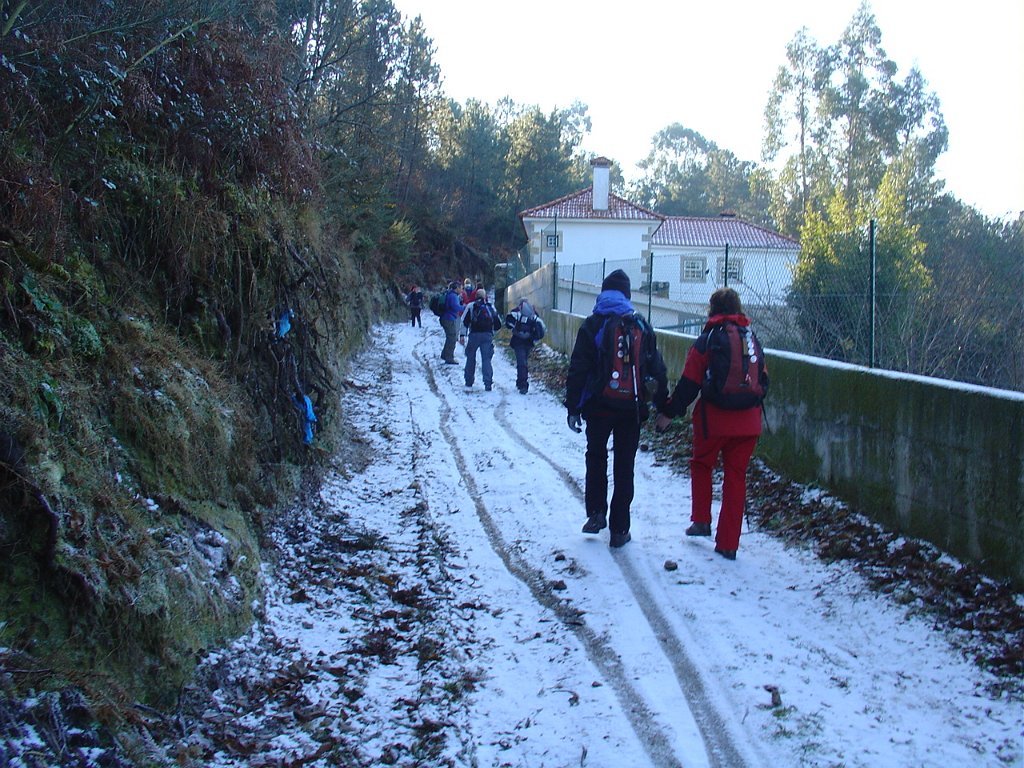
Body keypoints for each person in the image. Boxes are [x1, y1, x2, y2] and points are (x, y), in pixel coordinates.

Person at [655, 287, 768, 561]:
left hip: (713, 421)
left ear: (712, 309)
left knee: (702, 464)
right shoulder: (751, 338)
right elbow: (764, 381)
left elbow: (689, 384)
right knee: (736, 477)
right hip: (748, 423)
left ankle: (701, 520)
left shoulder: (707, 340)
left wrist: (669, 413)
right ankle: (728, 544)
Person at [565, 269, 668, 548]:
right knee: (625, 465)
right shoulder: (641, 325)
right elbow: (657, 369)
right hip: (630, 409)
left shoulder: (593, 324)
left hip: (598, 406)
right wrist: (663, 407)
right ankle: (620, 529)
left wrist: (573, 406)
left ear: (603, 292)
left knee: (596, 456)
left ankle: (596, 513)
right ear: (627, 295)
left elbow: (578, 368)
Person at [462, 288, 502, 391]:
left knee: (470, 358)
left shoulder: (471, 306)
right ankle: (488, 383)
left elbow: (464, 322)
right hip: (487, 336)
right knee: (486, 359)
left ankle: (469, 381)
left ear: (475, 296)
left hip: (474, 335)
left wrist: (462, 335)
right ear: (485, 296)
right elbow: (498, 324)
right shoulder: (490, 307)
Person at [504, 298, 546, 394]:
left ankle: (522, 384)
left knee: (521, 363)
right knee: (523, 362)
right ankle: (521, 382)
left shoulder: (516, 312)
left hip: (518, 341)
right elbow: (541, 327)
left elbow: (508, 323)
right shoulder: (533, 314)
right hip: (529, 342)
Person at [439, 281, 464, 364]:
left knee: (449, 337)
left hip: (445, 318)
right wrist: (464, 307)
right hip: (449, 319)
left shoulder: (449, 294)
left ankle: (445, 354)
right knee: (452, 338)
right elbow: (455, 307)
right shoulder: (453, 296)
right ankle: (449, 357)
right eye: (461, 288)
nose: (462, 290)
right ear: (456, 288)